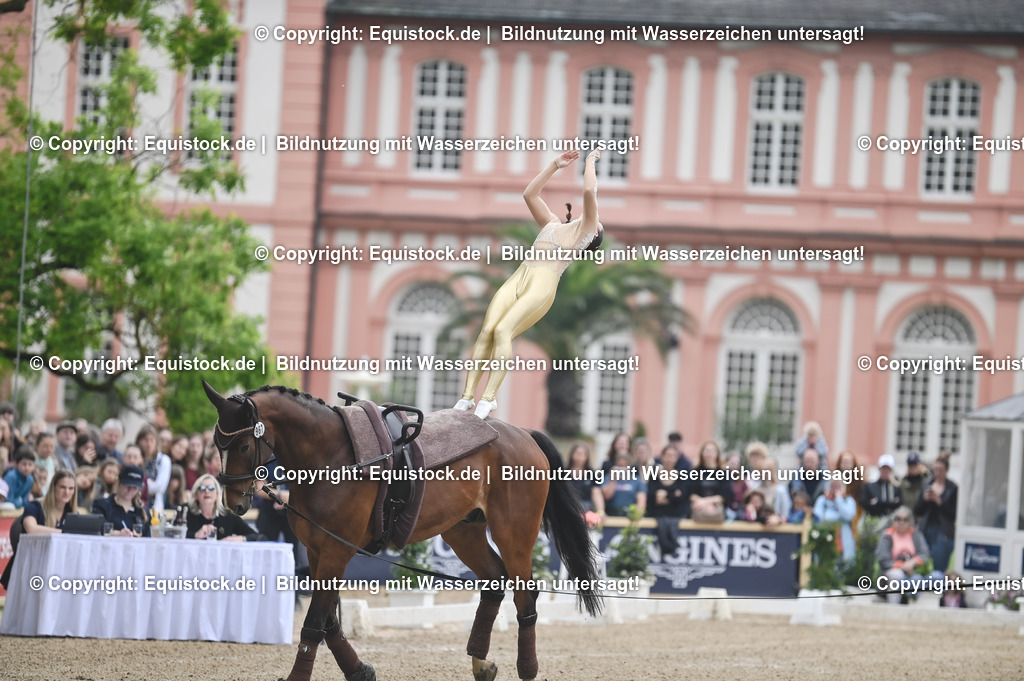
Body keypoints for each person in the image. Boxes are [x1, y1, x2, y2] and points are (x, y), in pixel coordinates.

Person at [454, 149, 605, 419]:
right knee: (487, 329)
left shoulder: (585, 231)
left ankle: (488, 398)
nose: (593, 219)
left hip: (543, 283)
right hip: (521, 275)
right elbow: (529, 195)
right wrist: (554, 166)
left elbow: (588, 193)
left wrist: (590, 161)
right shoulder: (551, 224)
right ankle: (466, 397)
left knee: (503, 330)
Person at [0, 470, 78, 590]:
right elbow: (31, 528)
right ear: (53, 487)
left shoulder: (73, 513)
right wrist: (64, 533)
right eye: (62, 487)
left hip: (60, 567)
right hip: (31, 566)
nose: (67, 492)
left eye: (71, 488)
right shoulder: (35, 506)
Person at [876, 506, 939, 604]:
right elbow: (883, 559)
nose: (901, 522)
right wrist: (902, 566)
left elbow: (925, 553)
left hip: (914, 571)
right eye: (898, 519)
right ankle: (894, 607)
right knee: (897, 575)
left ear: (910, 522)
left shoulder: (916, 534)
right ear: (893, 521)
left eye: (905, 520)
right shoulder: (887, 535)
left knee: (936, 576)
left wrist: (913, 562)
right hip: (893, 571)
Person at [186, 474, 266, 541]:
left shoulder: (228, 515)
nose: (207, 491)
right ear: (196, 495)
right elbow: (174, 534)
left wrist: (241, 538)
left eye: (211, 488)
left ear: (217, 494)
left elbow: (260, 537)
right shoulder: (185, 511)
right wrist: (195, 535)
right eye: (202, 488)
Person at [914, 452, 957, 575]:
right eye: (935, 469)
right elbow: (918, 510)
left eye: (940, 470)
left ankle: (939, 590)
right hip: (926, 528)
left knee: (939, 567)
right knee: (920, 563)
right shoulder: (927, 484)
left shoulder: (952, 488)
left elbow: (954, 514)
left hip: (943, 533)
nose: (937, 473)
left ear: (946, 470)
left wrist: (940, 502)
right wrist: (925, 500)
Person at [92, 465, 151, 537]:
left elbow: (147, 537)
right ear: (119, 482)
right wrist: (117, 534)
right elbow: (98, 529)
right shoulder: (102, 505)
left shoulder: (143, 512)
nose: (130, 491)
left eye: (134, 488)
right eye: (127, 486)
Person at [685, 439, 732, 524]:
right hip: (697, 512)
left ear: (717, 454)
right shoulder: (694, 471)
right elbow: (689, 492)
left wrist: (707, 502)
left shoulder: (724, 473)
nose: (709, 454)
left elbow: (726, 494)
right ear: (702, 453)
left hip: (717, 512)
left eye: (712, 451)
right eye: (707, 451)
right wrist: (702, 503)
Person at [813, 478, 857, 562]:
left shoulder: (848, 500)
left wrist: (839, 499)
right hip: (826, 538)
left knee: (846, 566)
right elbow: (818, 519)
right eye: (833, 485)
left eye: (838, 485)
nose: (835, 488)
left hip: (843, 540)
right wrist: (838, 517)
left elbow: (848, 516)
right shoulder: (822, 500)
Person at [602, 450, 647, 517]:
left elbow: (641, 502)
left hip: (630, 515)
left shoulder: (637, 480)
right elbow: (607, 496)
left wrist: (636, 516)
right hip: (612, 515)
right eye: (620, 465)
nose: (622, 468)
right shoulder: (608, 478)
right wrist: (613, 479)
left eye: (625, 465)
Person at [137, 424, 170, 511]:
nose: (149, 444)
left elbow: (159, 487)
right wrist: (149, 482)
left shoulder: (163, 460)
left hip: (154, 508)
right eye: (145, 440)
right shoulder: (135, 458)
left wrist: (143, 482)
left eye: (152, 440)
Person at [565, 442, 604, 514]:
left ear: (587, 457)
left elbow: (596, 493)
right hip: (567, 508)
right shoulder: (563, 472)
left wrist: (600, 511)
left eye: (583, 454)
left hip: (586, 510)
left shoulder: (592, 474)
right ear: (572, 454)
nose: (580, 456)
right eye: (578, 453)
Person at [861, 454, 903, 520]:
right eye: (883, 468)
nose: (885, 471)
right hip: (874, 521)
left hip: (891, 522)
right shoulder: (870, 486)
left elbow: (898, 505)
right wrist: (889, 503)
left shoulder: (895, 488)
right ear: (879, 469)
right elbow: (865, 504)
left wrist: (877, 502)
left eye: (888, 469)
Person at [900, 451, 928, 523]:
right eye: (910, 465)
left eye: (915, 464)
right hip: (907, 522)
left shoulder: (926, 483)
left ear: (920, 465)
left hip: (923, 522)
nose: (913, 467)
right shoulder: (903, 484)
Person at [32, 432, 57, 496]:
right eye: (45, 446)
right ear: (37, 445)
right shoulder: (31, 461)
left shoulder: (54, 462)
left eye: (52, 447)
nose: (49, 450)